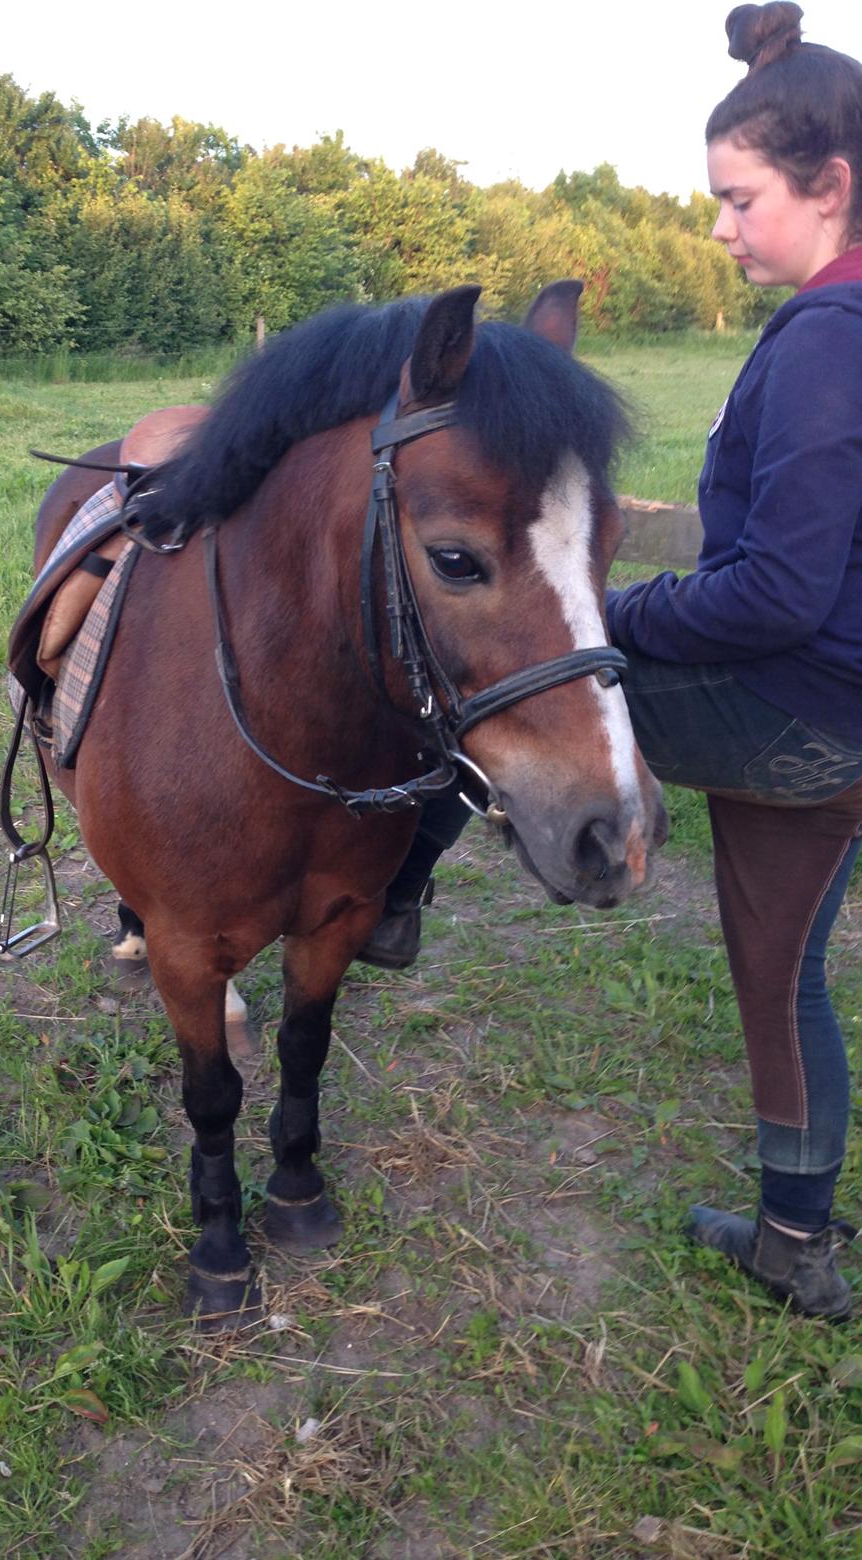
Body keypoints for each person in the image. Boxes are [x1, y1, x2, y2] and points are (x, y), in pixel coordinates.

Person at [362, 1, 862, 1319]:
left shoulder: (824, 338)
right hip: (845, 725)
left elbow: (774, 593)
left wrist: (607, 623)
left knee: (505, 681)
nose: (714, 226)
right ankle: (792, 1242)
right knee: (777, 963)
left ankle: (391, 891)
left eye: (735, 198)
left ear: (829, 189)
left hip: (793, 710)